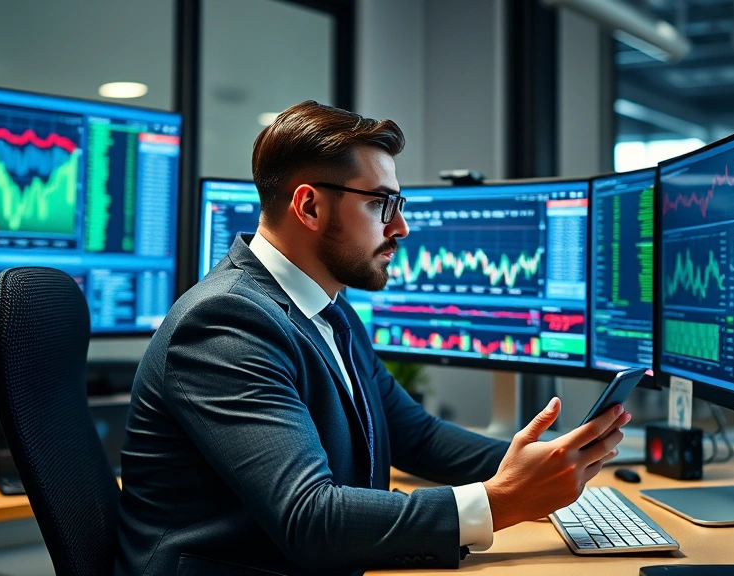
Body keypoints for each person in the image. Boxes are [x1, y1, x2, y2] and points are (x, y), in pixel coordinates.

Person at [115, 101, 631, 576]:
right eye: (382, 204)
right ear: (310, 207)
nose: (402, 227)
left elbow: (417, 436)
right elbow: (310, 518)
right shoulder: (226, 322)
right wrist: (501, 501)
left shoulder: (325, 308)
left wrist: (551, 464)